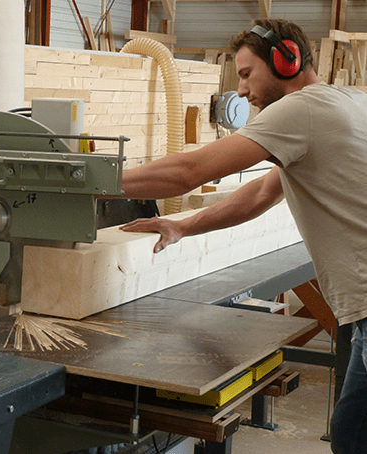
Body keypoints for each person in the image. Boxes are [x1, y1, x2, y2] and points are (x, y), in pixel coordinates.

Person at [117, 19, 367, 453]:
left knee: (353, 438)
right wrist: (180, 226)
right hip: (359, 306)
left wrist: (87, 180)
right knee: (352, 434)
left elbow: (190, 171)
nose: (243, 91)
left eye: (248, 74)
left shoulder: (300, 109)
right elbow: (258, 196)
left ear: (286, 60)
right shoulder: (349, 99)